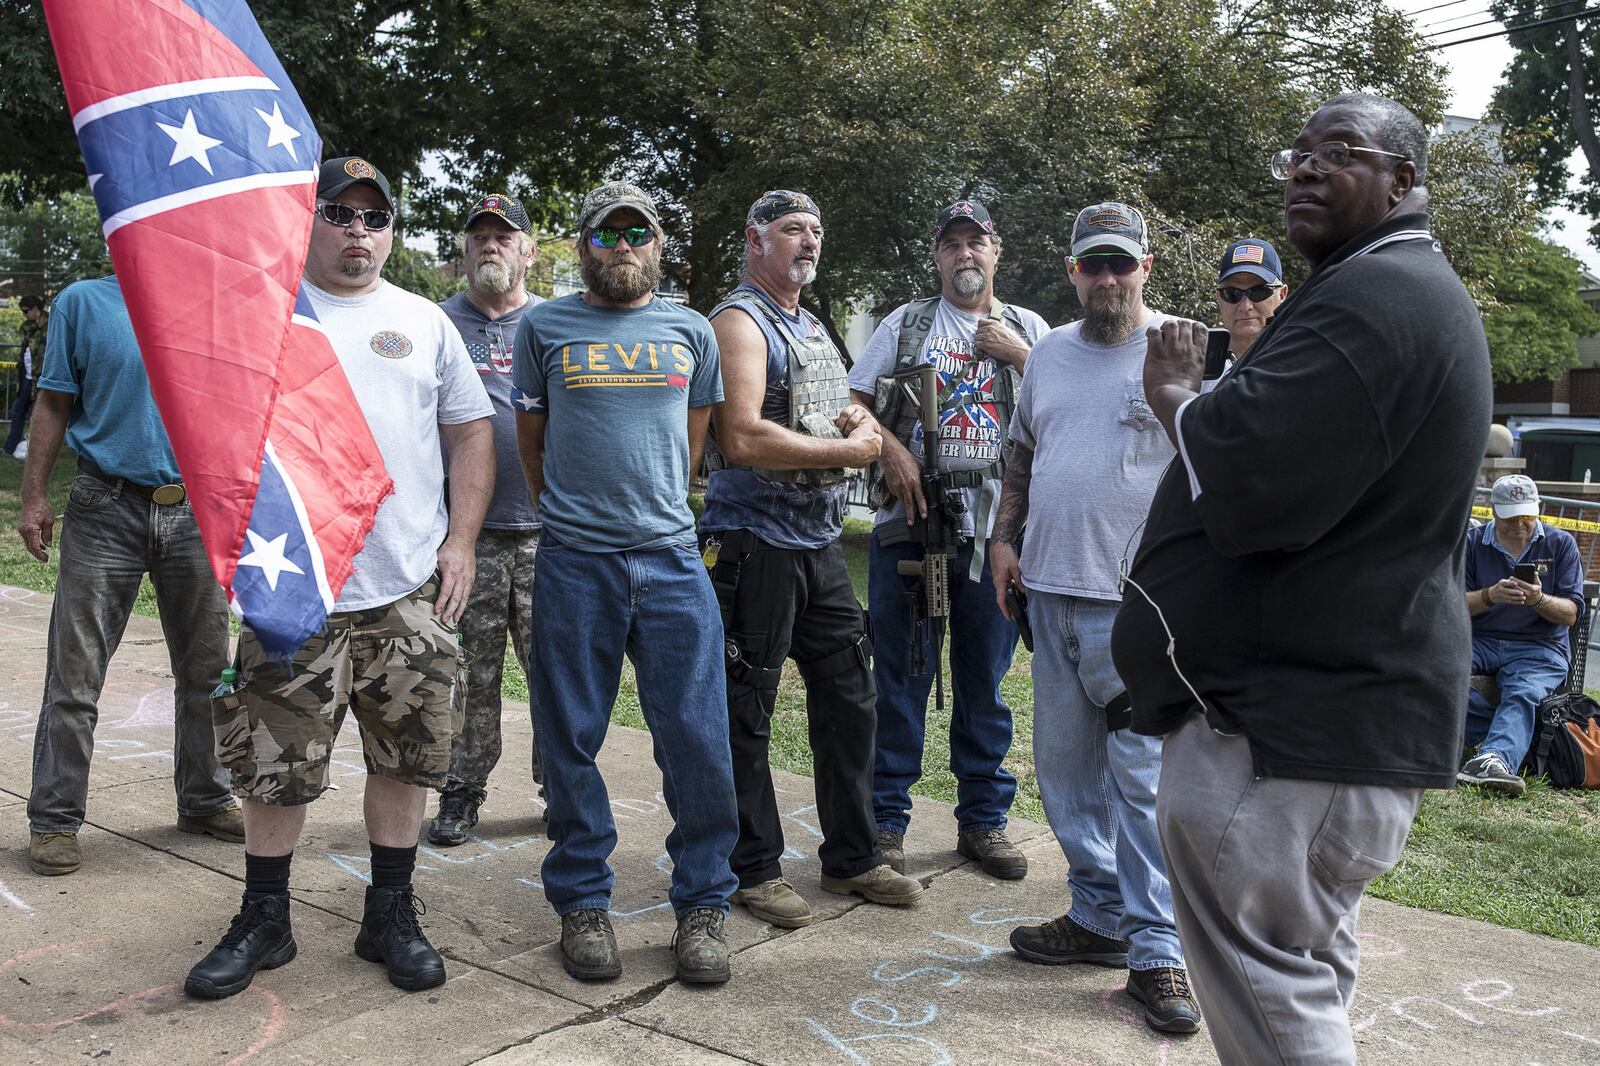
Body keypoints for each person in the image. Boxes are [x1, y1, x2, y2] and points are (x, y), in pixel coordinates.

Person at [1112, 94, 1492, 1064]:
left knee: (1273, 989)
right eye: (1298, 153)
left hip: (1286, 737)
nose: (1305, 169)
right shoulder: (1384, 287)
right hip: (1318, 728)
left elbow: (1254, 472)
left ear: (1404, 180)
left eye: (1340, 152)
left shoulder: (1381, 295)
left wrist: (1174, 400)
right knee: (1299, 974)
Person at [186, 156, 495, 1000]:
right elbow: (211, 435)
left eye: (374, 217)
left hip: (404, 590)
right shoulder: (262, 313)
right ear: (307, 219)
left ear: (391, 231)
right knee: (273, 765)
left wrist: (461, 542)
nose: (358, 231)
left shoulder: (424, 321)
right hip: (295, 588)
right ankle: (266, 918)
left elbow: (470, 432)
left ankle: (388, 912)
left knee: (407, 759)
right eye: (339, 213)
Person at [513, 181, 739, 985]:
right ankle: (582, 902)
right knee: (570, 736)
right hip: (577, 563)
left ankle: (705, 903)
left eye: (636, 233)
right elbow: (532, 446)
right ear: (583, 246)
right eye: (607, 235)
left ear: (658, 243)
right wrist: (574, 520)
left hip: (673, 562)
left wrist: (650, 514)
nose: (623, 247)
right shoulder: (544, 326)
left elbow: (693, 444)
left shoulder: (691, 332)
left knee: (699, 738)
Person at [988, 202, 1199, 1034]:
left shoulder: (1184, 347)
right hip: (1051, 592)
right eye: (1092, 265)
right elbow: (1025, 452)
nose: (1107, 278)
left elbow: (1222, 460)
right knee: (1068, 774)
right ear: (1073, 271)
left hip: (1143, 607)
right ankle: (1100, 917)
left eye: (1122, 263)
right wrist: (1005, 540)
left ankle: (1159, 954)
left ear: (1146, 265)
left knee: (1142, 785)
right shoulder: (1046, 355)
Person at [701, 189, 922, 928]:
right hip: (753, 546)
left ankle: (853, 859)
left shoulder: (811, 325)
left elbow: (827, 407)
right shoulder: (739, 322)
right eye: (793, 228)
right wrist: (854, 448)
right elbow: (742, 438)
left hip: (821, 546)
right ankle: (753, 868)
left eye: (817, 230)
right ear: (754, 239)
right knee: (746, 713)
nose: (810, 241)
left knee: (851, 703)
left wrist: (855, 419)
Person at [846, 200, 1048, 880]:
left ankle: (984, 823)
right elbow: (854, 405)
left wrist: (1019, 355)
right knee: (901, 676)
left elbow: (1069, 409)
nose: (965, 254)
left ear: (998, 253)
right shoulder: (904, 326)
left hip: (999, 532)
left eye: (977, 243)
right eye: (952, 244)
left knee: (986, 684)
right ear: (937, 257)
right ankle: (885, 823)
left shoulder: (1032, 330)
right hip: (913, 524)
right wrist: (889, 453)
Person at [19, 278, 242, 877]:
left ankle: (205, 799)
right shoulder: (83, 302)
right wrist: (34, 496)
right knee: (75, 675)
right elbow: (53, 402)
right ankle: (55, 820)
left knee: (207, 671)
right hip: (104, 506)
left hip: (196, 510)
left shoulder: (216, 299)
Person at [429, 192, 546, 845]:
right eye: (479, 237)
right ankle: (461, 791)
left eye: (504, 237)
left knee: (552, 670)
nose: (491, 246)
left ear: (529, 250)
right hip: (466, 538)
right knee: (469, 673)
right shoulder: (433, 324)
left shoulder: (554, 326)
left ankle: (559, 788)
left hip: (546, 535)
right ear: (465, 250)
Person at [1461, 474, 1584, 797]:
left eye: (1527, 516)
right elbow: (1452, 605)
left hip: (1540, 644)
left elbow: (1572, 613)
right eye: (1510, 516)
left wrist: (1539, 600)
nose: (1519, 524)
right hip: (1481, 638)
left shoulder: (1560, 543)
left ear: (1539, 509)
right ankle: (1505, 738)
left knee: (1524, 691)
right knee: (1436, 670)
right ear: (1494, 512)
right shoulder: (1473, 542)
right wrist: (1489, 596)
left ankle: (1493, 759)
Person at [1213, 238, 1288, 368]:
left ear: (1282, 295)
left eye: (1259, 292)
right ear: (1219, 298)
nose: (1245, 306)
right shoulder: (1195, 366)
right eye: (1232, 293)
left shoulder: (1304, 362)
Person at [6, 294, 47, 456]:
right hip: (27, 377)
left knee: (40, 415)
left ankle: (39, 449)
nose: (24, 314)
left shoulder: (50, 325)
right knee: (18, 410)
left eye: (26, 311)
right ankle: (10, 447)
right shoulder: (28, 327)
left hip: (42, 378)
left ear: (36, 309)